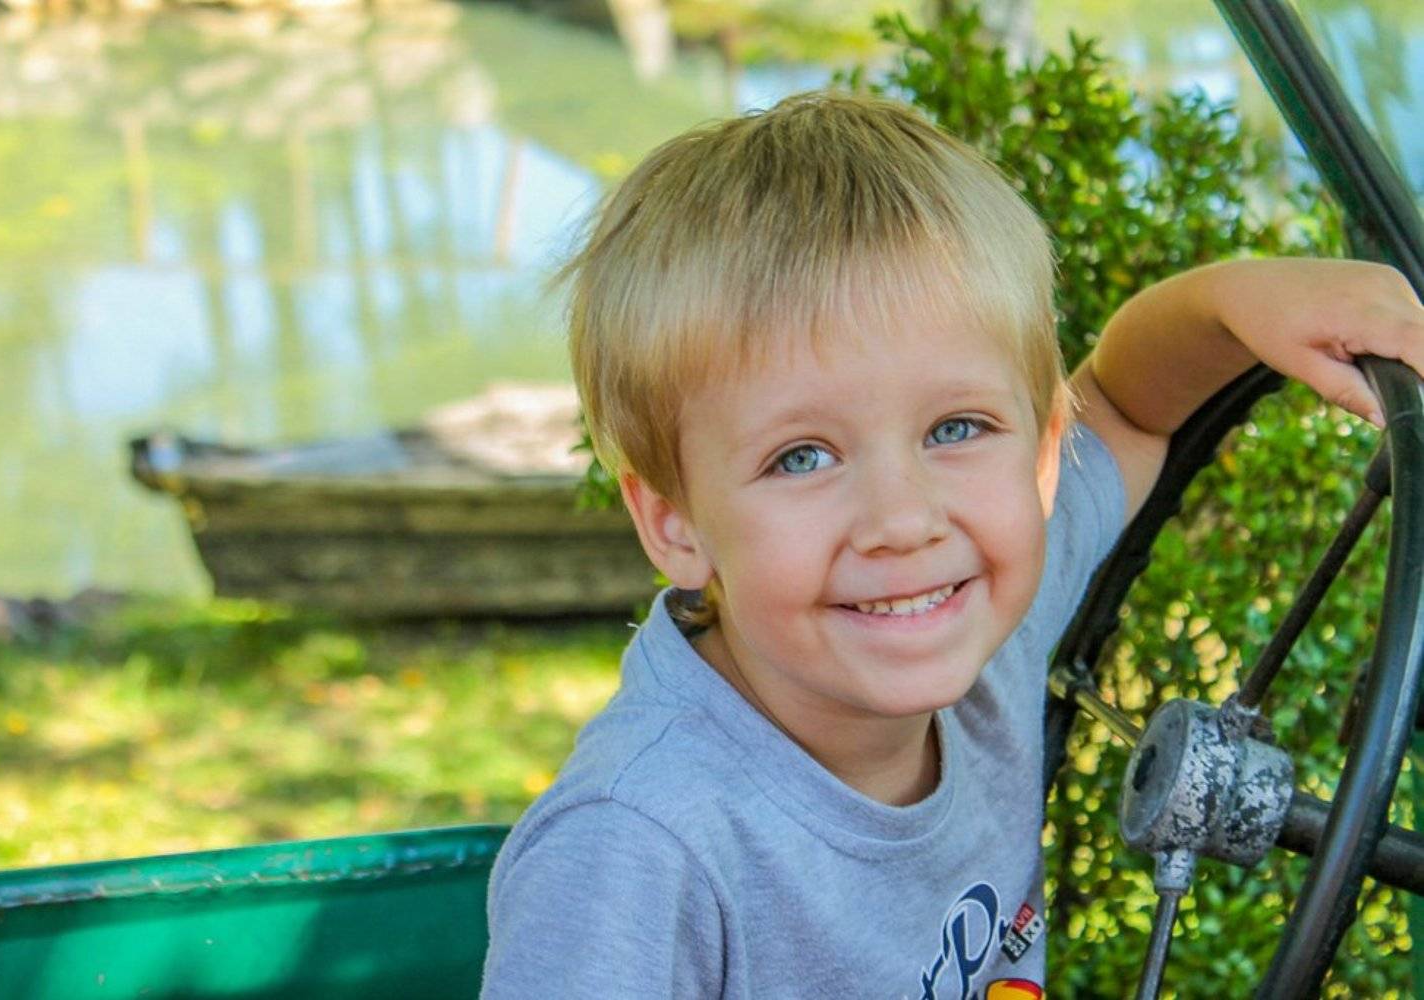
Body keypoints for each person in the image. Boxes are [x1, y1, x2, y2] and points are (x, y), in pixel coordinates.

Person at [478, 91, 1424, 999]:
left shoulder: (974, 627)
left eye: (955, 428)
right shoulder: (635, 849)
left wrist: (1235, 301)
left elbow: (1127, 407)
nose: (905, 521)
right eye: (802, 456)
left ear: (1043, 452)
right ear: (673, 523)